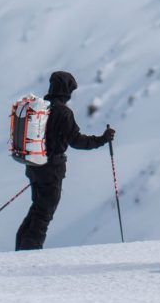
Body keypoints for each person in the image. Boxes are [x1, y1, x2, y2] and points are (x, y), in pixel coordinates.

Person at [15, 70, 115, 251]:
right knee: (43, 216)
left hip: (34, 167)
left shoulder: (41, 108)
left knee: (37, 211)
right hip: (51, 171)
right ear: (66, 90)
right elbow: (77, 141)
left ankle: (20, 250)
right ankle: (27, 257)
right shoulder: (63, 113)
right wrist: (102, 139)